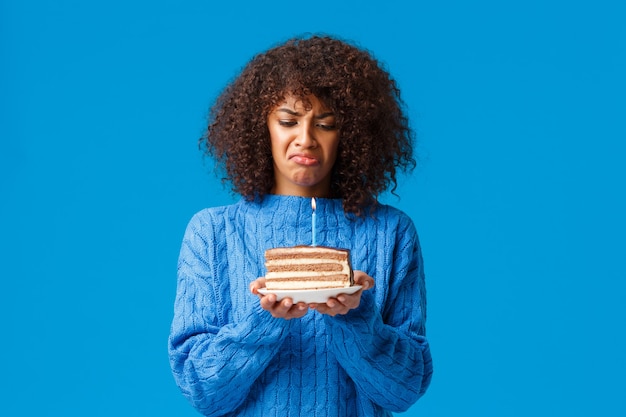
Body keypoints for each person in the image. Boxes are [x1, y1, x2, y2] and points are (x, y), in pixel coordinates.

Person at [168, 35, 433, 417]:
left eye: (325, 124)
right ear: (262, 128)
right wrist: (264, 320)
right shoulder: (211, 232)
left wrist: (356, 318)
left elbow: (404, 391)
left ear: (352, 134)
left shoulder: (391, 232)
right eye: (288, 121)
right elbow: (203, 390)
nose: (305, 140)